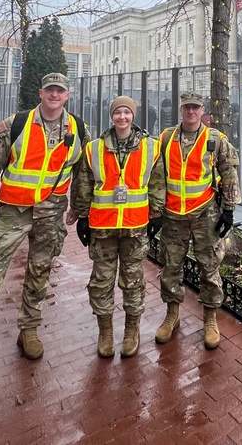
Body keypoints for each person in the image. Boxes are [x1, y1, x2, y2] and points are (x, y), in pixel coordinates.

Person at [0, 73, 90, 399]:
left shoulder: (77, 128)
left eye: (60, 91)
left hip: (51, 213)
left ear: (67, 96)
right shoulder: (15, 124)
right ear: (41, 93)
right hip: (13, 211)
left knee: (40, 274)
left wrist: (78, 209)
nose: (54, 95)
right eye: (49, 90)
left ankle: (29, 330)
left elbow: (82, 171)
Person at [69, 96, 165, 359]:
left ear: (133, 116)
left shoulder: (150, 147)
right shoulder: (94, 148)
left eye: (127, 112)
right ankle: (106, 331)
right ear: (111, 116)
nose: (122, 117)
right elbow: (84, 184)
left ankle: (132, 330)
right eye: (117, 113)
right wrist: (83, 217)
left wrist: (156, 216)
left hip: (135, 227)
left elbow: (157, 183)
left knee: (133, 281)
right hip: (103, 228)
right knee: (101, 282)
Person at [155, 90, 240, 351]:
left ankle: (210, 318)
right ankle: (172, 315)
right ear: (181, 110)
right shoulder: (167, 138)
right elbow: (158, 175)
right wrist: (156, 212)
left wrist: (229, 209)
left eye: (196, 107)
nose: (191, 112)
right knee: (171, 267)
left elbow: (228, 171)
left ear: (203, 111)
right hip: (173, 216)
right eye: (187, 107)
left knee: (209, 266)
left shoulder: (214, 139)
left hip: (205, 214)